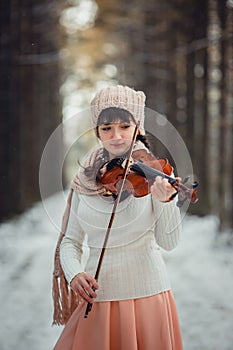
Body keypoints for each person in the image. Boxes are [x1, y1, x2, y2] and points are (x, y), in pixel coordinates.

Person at [53, 85, 183, 349]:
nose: (116, 137)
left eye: (125, 126)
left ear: (139, 127)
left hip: (148, 297)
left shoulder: (154, 175)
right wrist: (74, 273)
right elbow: (71, 242)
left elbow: (169, 243)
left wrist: (166, 201)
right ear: (97, 132)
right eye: (106, 128)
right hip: (98, 299)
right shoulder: (85, 181)